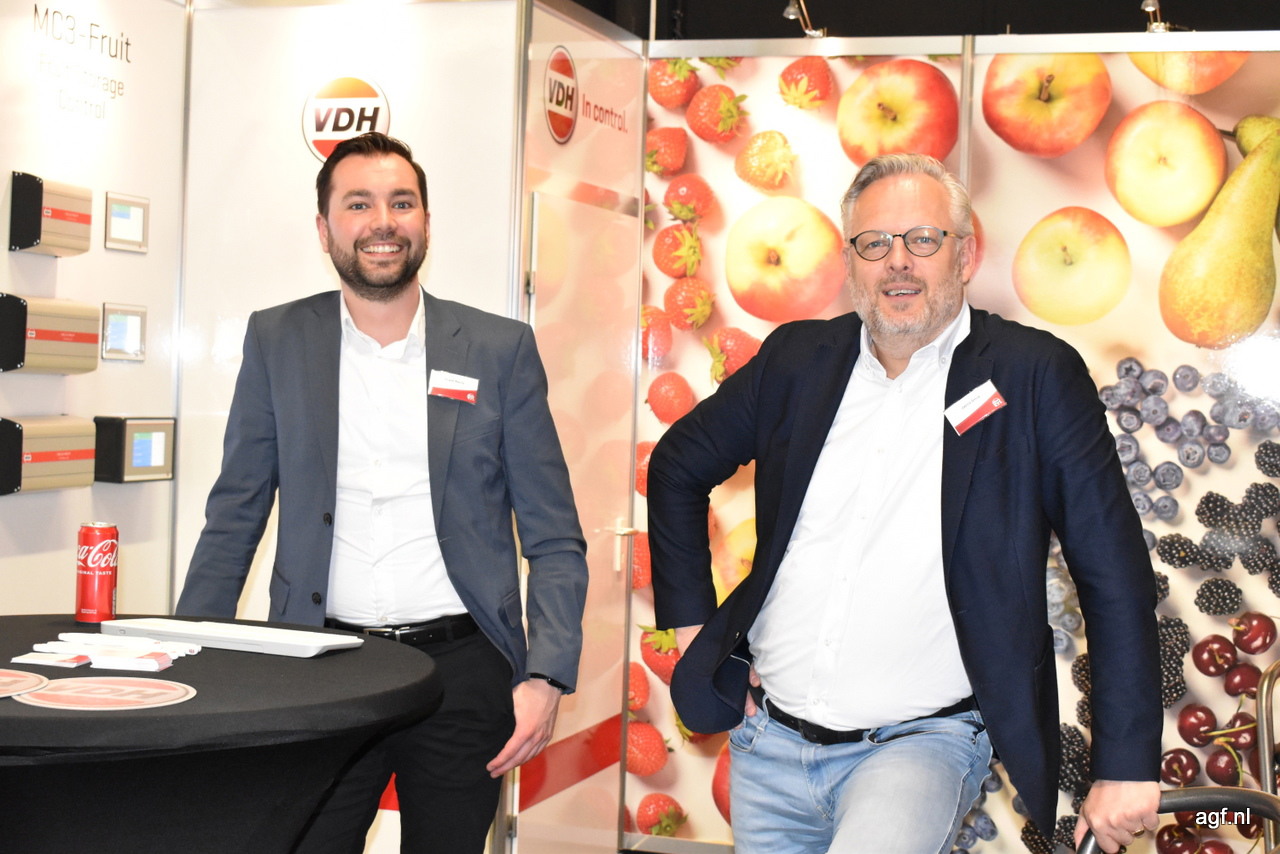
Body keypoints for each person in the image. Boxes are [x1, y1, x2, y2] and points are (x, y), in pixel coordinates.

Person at [646, 153, 1161, 854]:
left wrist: (1126, 764)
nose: (898, 262)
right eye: (874, 243)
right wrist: (691, 629)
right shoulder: (796, 359)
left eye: (923, 239)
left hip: (919, 747)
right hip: (766, 745)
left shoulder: (1033, 375)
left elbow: (1112, 572)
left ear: (965, 255)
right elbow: (676, 465)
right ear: (849, 261)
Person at [176, 132, 588, 854]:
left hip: (464, 674)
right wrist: (191, 662)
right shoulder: (277, 339)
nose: (382, 222)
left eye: (401, 203)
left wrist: (546, 675)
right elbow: (236, 512)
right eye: (358, 204)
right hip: (321, 668)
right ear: (324, 227)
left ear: (425, 221)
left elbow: (554, 536)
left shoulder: (499, 349)